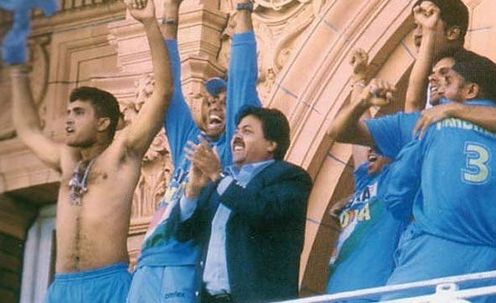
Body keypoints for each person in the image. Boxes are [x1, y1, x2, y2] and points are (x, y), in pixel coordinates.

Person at [9, 0, 172, 302]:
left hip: (108, 284)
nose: (68, 119)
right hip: (61, 288)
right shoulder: (66, 161)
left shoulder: (123, 153)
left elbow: (162, 92)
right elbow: (29, 130)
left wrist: (149, 24)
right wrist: (18, 71)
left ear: (103, 123)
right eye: (69, 111)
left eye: (78, 112)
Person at [127, 0, 261, 302]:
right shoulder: (189, 141)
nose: (215, 104)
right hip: (147, 263)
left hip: (184, 264)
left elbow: (242, 79)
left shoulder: (229, 152)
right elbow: (169, 89)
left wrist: (242, 9)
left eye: (223, 101)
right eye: (210, 99)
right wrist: (170, 12)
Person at [378, 49, 496, 302]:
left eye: (449, 80)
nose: (440, 86)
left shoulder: (435, 123)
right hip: (491, 269)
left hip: (430, 261)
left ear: (471, 91)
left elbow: (395, 193)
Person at [174, 106, 313, 303]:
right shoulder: (222, 182)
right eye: (237, 130)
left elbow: (262, 210)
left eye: (247, 131)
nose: (237, 136)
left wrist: (216, 175)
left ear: (271, 144)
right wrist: (193, 190)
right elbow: (183, 232)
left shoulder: (290, 177)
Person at [325, 50, 409, 301]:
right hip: (336, 293)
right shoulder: (365, 181)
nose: (371, 153)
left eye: (380, 149)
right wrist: (359, 81)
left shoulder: (396, 179)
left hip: (372, 293)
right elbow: (358, 137)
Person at [405, 0, 496, 134]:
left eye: (427, 22)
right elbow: (412, 108)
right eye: (416, 26)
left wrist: (452, 110)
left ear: (452, 33)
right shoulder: (427, 78)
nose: (417, 34)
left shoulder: (480, 69)